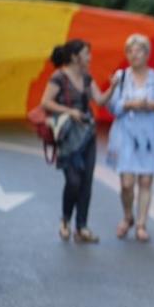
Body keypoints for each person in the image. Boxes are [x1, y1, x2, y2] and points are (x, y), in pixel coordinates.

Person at [106, 33, 154, 242]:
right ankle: (128, 216)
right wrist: (128, 104)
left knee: (145, 181)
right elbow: (113, 107)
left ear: (147, 54)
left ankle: (141, 224)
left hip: (150, 135)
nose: (133, 55)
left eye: (138, 51)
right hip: (126, 134)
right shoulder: (121, 76)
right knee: (126, 183)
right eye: (130, 51)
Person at [40, 38, 106, 244]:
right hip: (68, 136)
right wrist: (70, 110)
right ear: (75, 56)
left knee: (86, 181)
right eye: (87, 53)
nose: (89, 57)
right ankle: (66, 220)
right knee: (73, 181)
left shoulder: (87, 77)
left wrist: (114, 86)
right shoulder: (59, 77)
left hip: (88, 135)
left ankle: (82, 227)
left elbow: (101, 100)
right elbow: (45, 102)